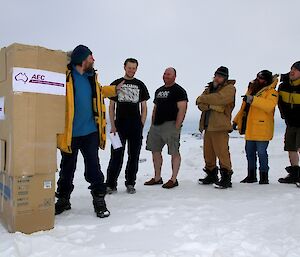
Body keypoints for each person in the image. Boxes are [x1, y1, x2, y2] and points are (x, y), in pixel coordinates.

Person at [56, 45, 123, 218]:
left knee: (93, 167)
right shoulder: (65, 76)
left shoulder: (91, 77)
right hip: (69, 133)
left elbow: (100, 92)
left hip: (90, 132)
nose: (93, 60)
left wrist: (114, 89)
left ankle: (99, 200)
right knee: (67, 169)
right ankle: (63, 199)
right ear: (82, 59)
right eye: (91, 57)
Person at [106, 58, 150, 194]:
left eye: (134, 68)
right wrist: (112, 126)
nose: (131, 70)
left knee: (134, 156)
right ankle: (110, 184)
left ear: (136, 69)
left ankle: (130, 183)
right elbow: (112, 107)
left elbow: (144, 107)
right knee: (116, 156)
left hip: (135, 127)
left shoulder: (140, 85)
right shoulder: (116, 83)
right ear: (124, 67)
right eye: (129, 67)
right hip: (119, 127)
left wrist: (141, 124)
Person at [144, 67, 188, 189]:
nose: (166, 76)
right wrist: (152, 123)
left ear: (174, 76)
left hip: (171, 125)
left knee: (174, 152)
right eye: (164, 74)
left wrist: (177, 126)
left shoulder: (179, 91)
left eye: (169, 74)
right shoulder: (159, 90)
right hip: (156, 126)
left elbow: (182, 109)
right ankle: (157, 177)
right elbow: (155, 108)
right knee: (155, 151)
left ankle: (173, 179)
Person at [233, 70, 278, 184]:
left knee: (262, 153)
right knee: (250, 153)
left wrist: (253, 100)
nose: (259, 80)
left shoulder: (272, 92)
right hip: (250, 128)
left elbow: (269, 106)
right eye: (258, 77)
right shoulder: (252, 90)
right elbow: (244, 109)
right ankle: (251, 175)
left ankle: (264, 177)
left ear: (267, 80)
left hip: (262, 129)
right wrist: (236, 121)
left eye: (261, 78)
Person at [196, 66, 236, 189]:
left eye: (220, 76)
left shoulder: (230, 88)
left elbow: (221, 99)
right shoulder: (209, 89)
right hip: (208, 126)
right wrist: (212, 106)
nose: (217, 78)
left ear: (225, 78)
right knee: (208, 154)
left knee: (222, 153)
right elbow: (200, 105)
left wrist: (204, 100)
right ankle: (211, 175)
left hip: (220, 127)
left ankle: (226, 178)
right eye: (216, 75)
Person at [278, 61, 300, 185]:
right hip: (290, 123)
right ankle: (294, 174)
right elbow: (279, 102)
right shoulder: (283, 86)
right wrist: (284, 116)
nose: (292, 71)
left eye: (296, 69)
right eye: (291, 68)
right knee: (290, 147)